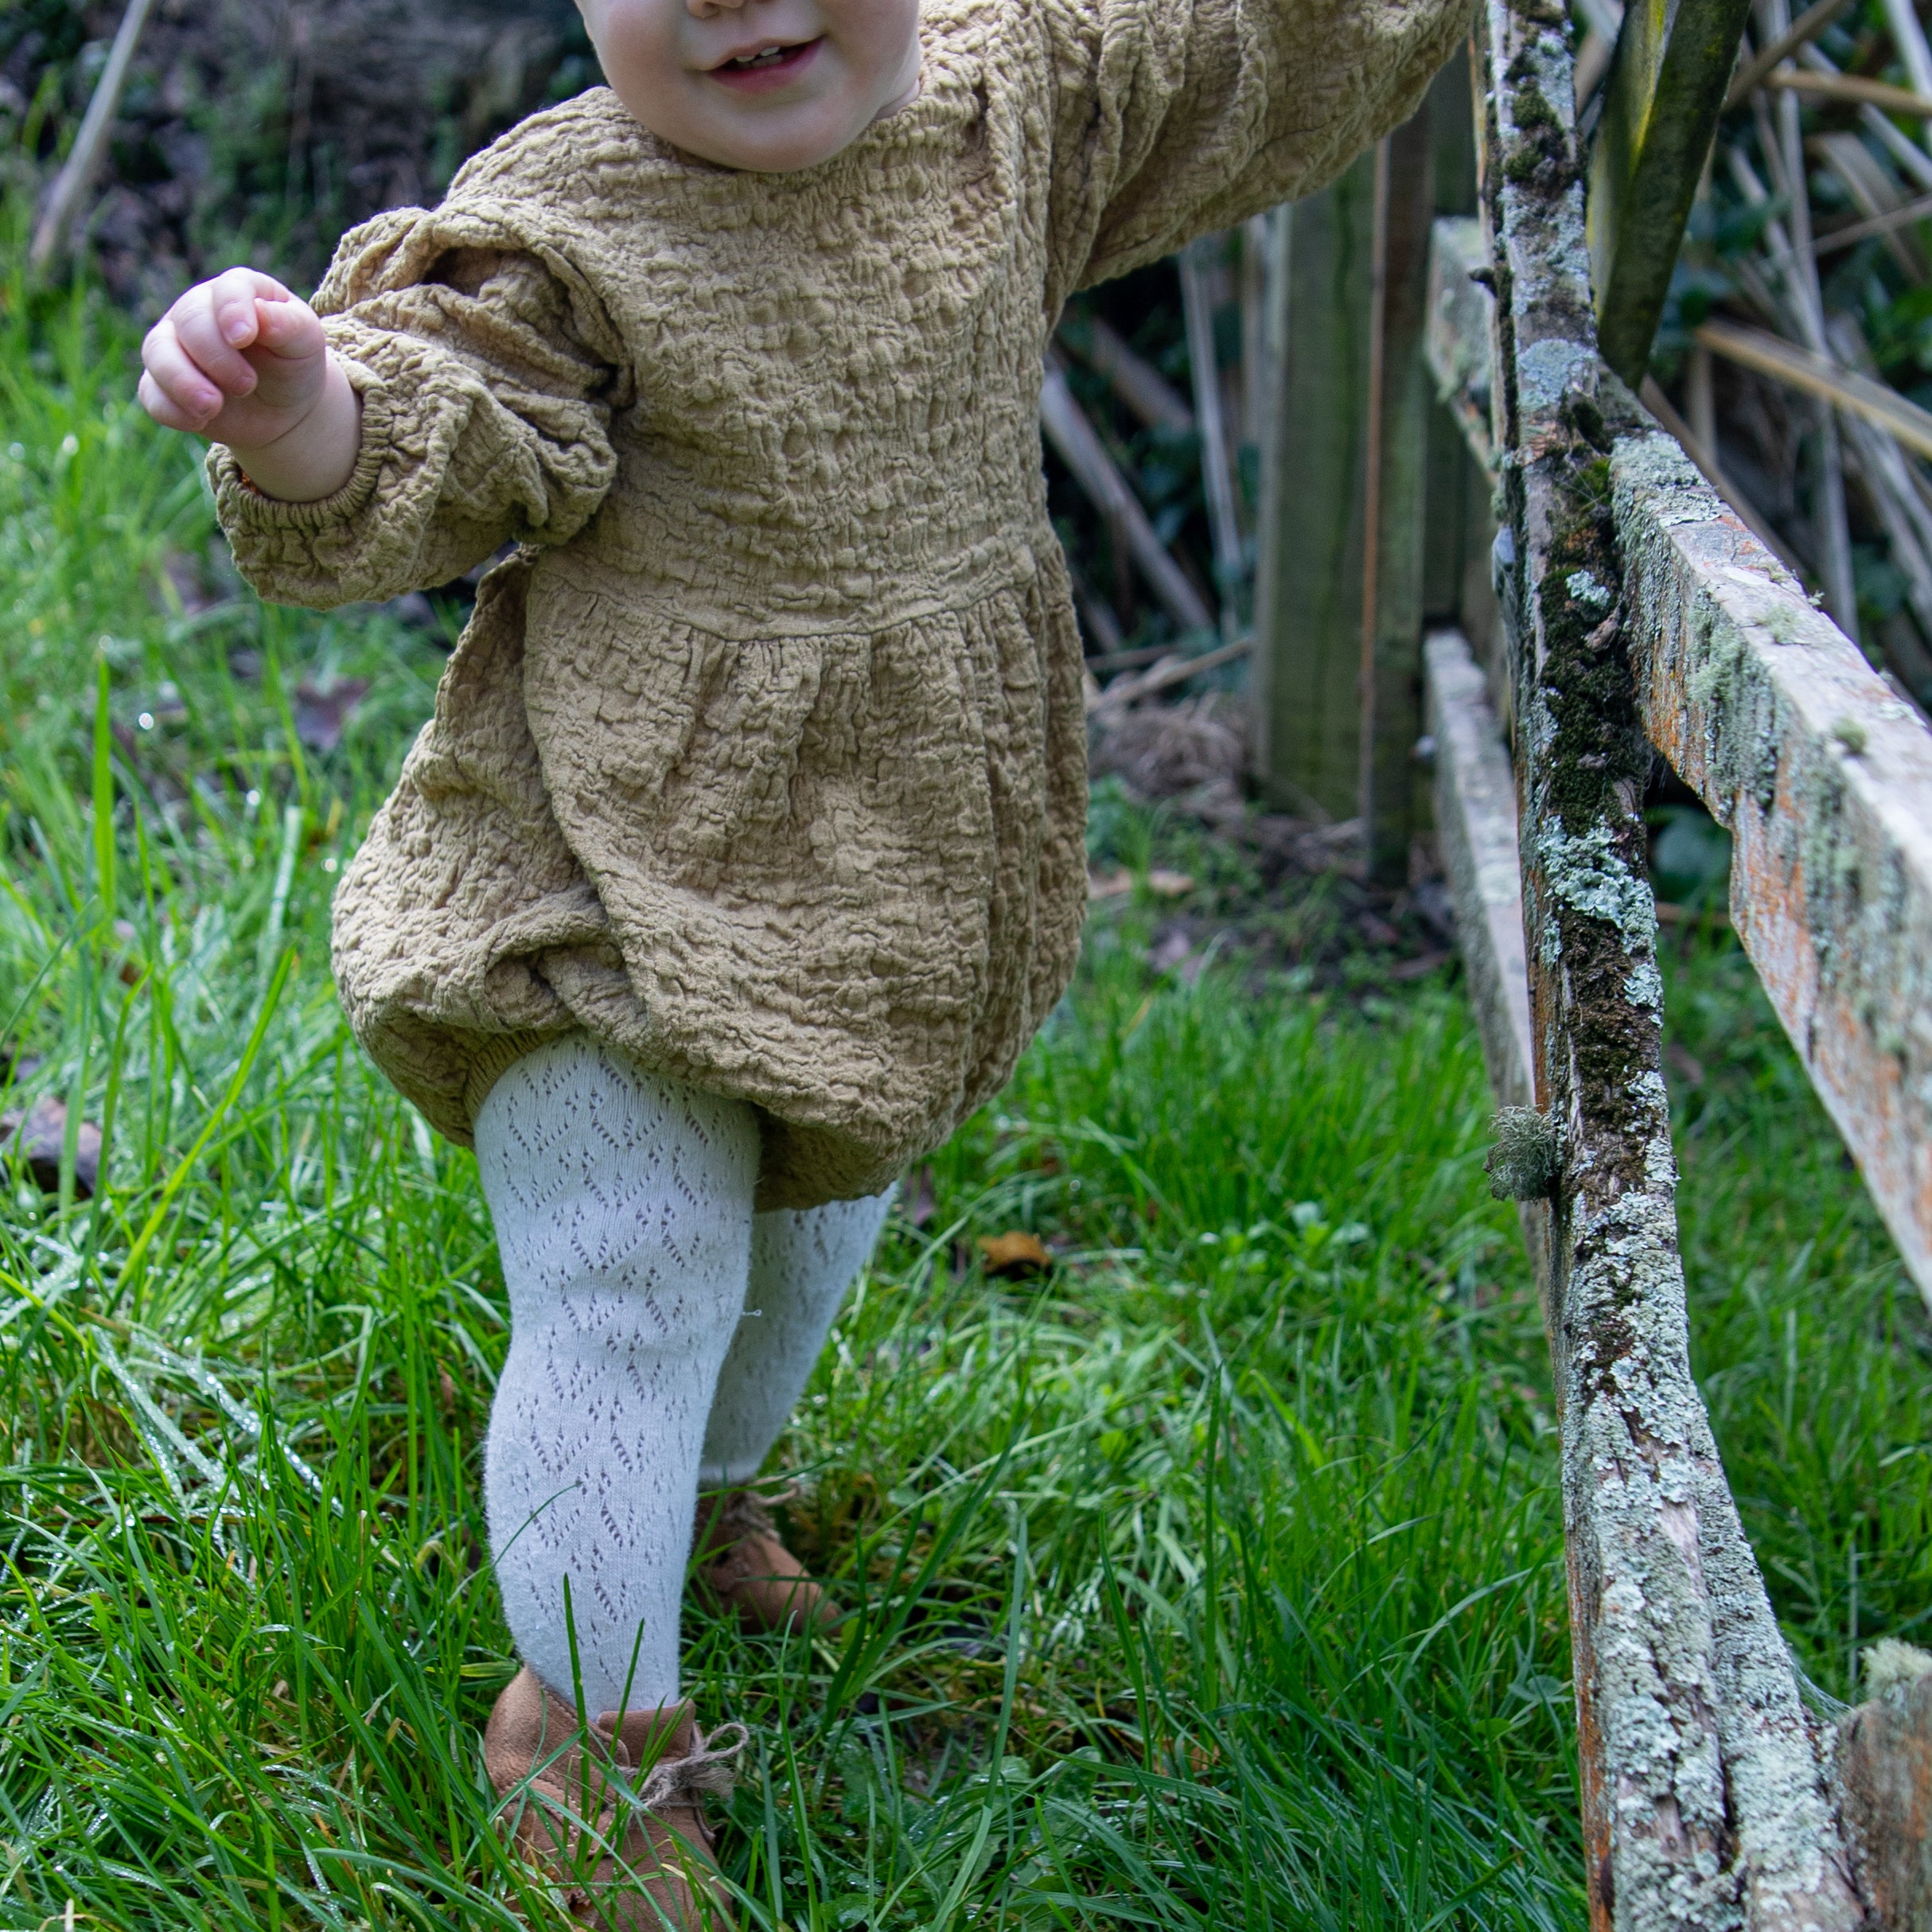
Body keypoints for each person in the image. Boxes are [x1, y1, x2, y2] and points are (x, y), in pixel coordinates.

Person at [138, 0, 1463, 1917]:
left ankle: (689, 1498)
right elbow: (439, 418)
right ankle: (583, 1735)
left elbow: (1269, 46)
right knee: (632, 1264)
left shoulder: (1028, 103)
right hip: (598, 860)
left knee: (811, 1220)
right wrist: (294, 412)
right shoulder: (571, 224)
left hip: (883, 872)